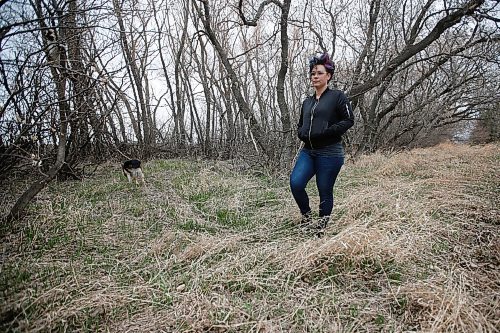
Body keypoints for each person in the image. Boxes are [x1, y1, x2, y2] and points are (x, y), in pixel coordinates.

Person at [290, 53, 354, 237]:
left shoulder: (337, 96)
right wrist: (301, 132)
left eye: (319, 73)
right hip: (308, 151)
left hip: (330, 152)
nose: (315, 76)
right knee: (296, 183)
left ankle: (321, 229)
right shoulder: (307, 102)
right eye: (312, 73)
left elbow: (349, 120)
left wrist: (327, 131)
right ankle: (306, 217)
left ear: (328, 76)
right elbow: (301, 124)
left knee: (324, 190)